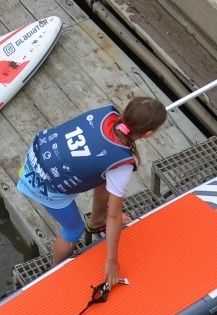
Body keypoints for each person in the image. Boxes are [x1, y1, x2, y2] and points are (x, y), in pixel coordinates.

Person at [16, 97, 168, 286]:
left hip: (37, 154)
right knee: (74, 230)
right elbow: (114, 216)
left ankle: (96, 220)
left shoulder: (107, 113)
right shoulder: (122, 166)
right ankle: (54, 274)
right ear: (149, 134)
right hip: (42, 183)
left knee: (103, 172)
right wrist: (111, 261)